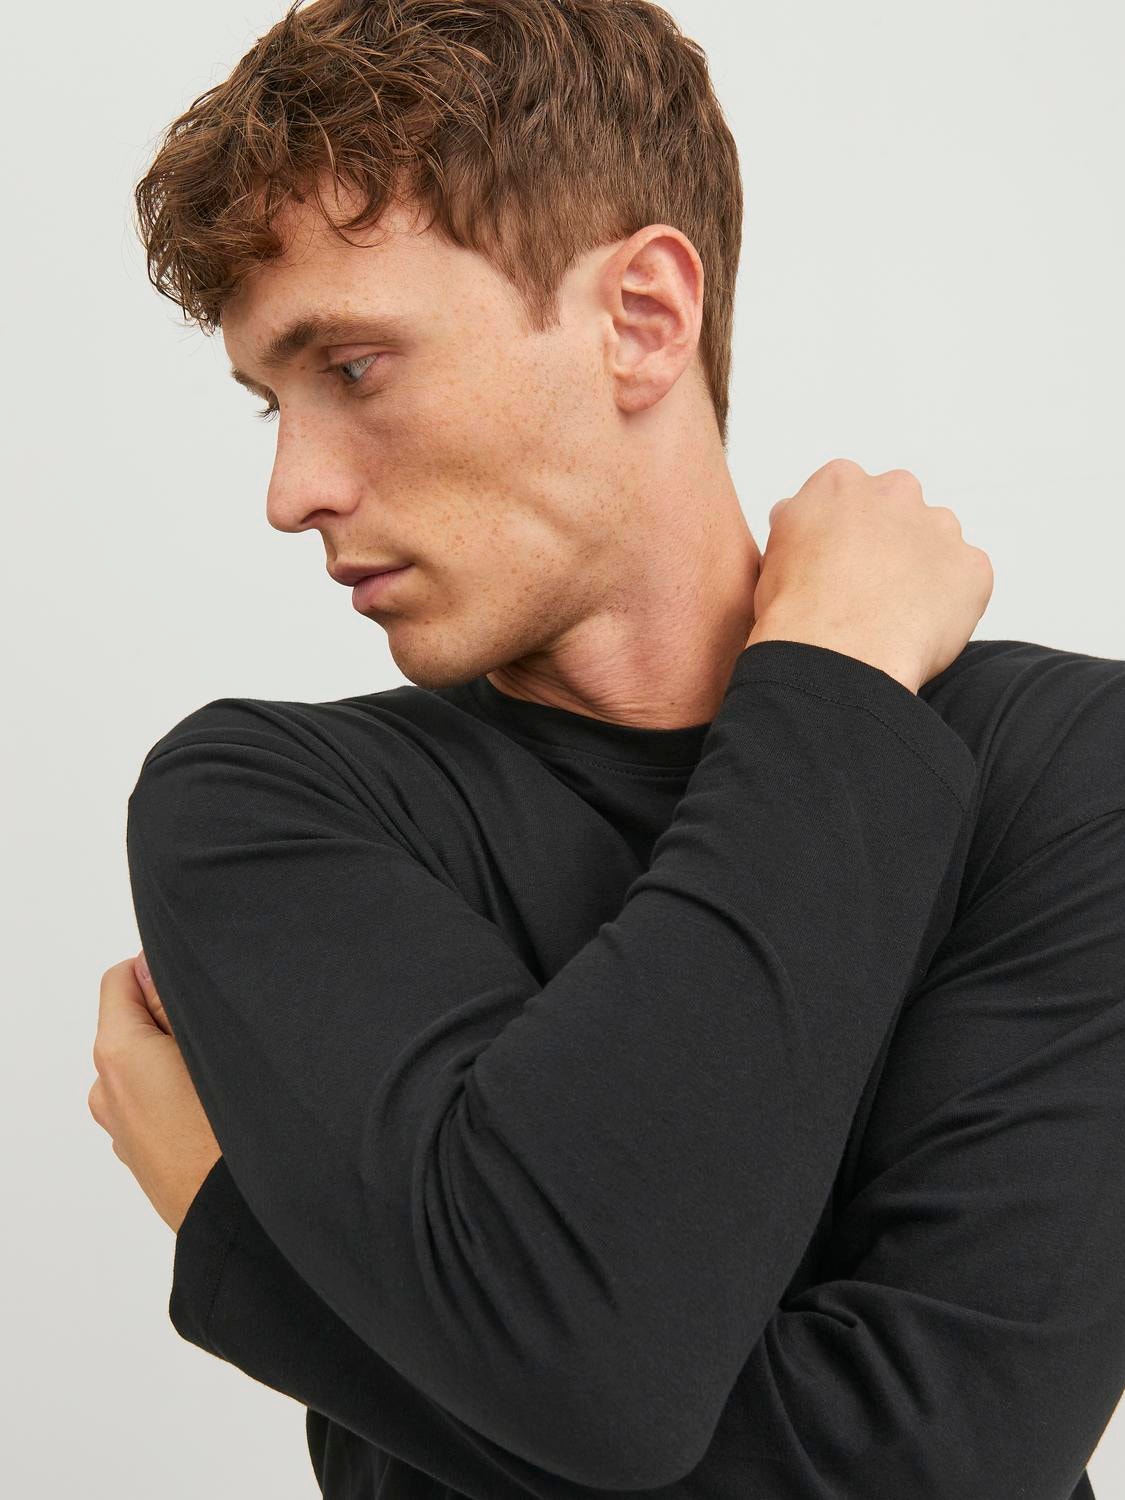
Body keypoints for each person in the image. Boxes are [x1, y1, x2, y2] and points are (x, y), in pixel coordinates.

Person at [104, 2, 1125, 1496]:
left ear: (641, 316)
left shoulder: (1072, 769)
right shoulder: (261, 811)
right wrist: (837, 679)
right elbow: (593, 1369)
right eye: (272, 401)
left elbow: (925, 1466)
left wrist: (252, 1253)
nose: (291, 488)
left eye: (354, 368)